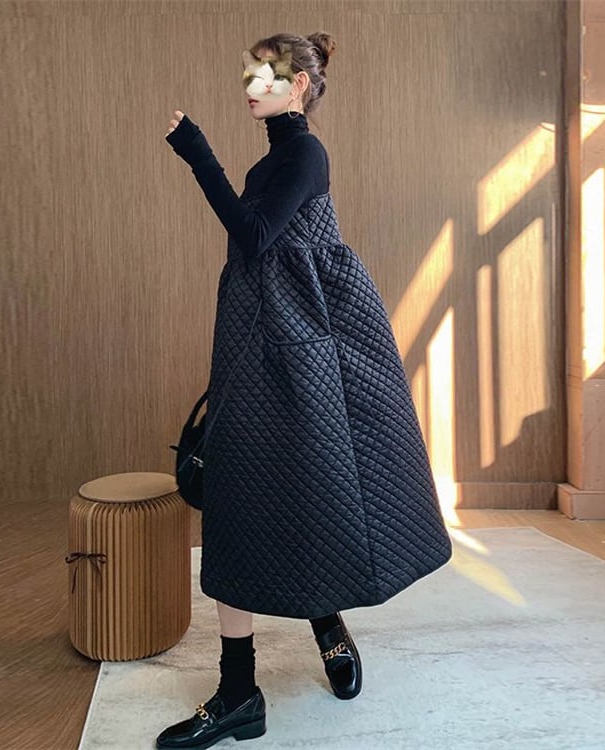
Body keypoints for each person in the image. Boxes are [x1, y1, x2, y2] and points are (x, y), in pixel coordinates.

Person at [157, 32, 452, 749]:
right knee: (242, 504)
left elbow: (254, 236)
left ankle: (326, 622)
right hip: (257, 339)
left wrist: (198, 155)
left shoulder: (305, 155)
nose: (250, 86)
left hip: (311, 348)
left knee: (314, 489)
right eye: (248, 75)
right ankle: (239, 693)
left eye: (265, 76)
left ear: (298, 87)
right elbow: (256, 253)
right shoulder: (272, 161)